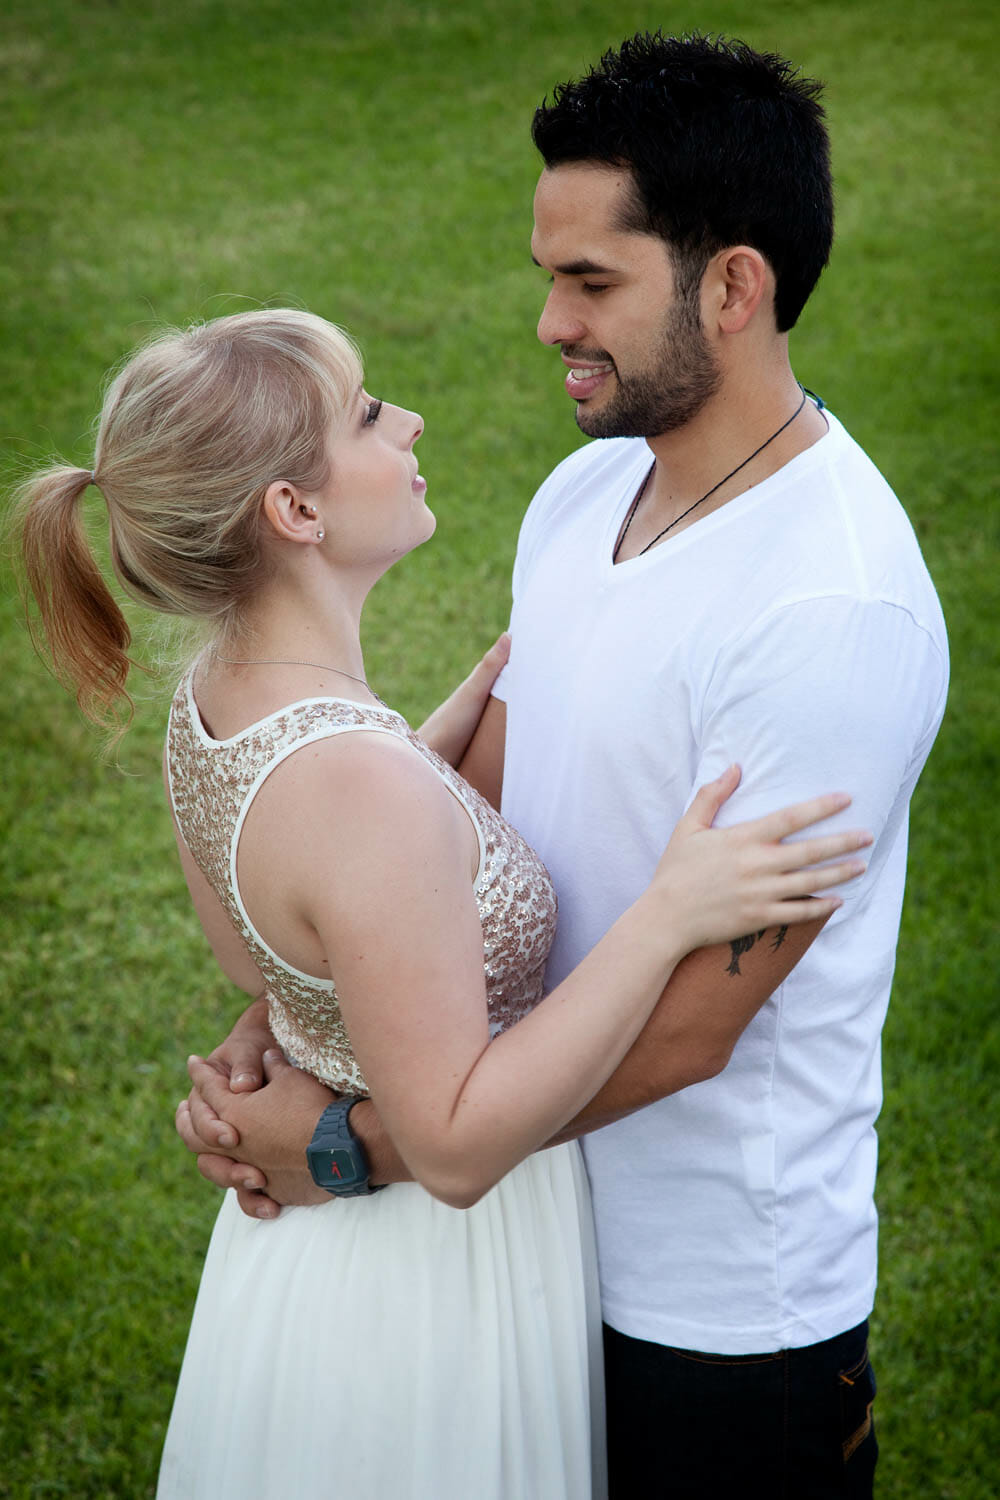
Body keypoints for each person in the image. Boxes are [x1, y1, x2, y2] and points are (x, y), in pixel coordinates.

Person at [179, 33, 948, 1498]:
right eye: (549, 275)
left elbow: (696, 1025)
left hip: (713, 1313)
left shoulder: (832, 610)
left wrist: (348, 1144)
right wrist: (297, 1012)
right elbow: (464, 819)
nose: (548, 322)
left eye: (592, 281)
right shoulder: (589, 491)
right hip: (524, 1253)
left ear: (732, 287)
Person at [12, 306, 870, 1499]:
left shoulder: (213, 705)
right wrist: (666, 914)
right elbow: (456, 1147)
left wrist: (428, 761)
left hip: (309, 1278)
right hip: (439, 1286)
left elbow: (278, 950)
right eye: (367, 414)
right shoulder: (364, 789)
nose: (407, 420)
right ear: (294, 511)